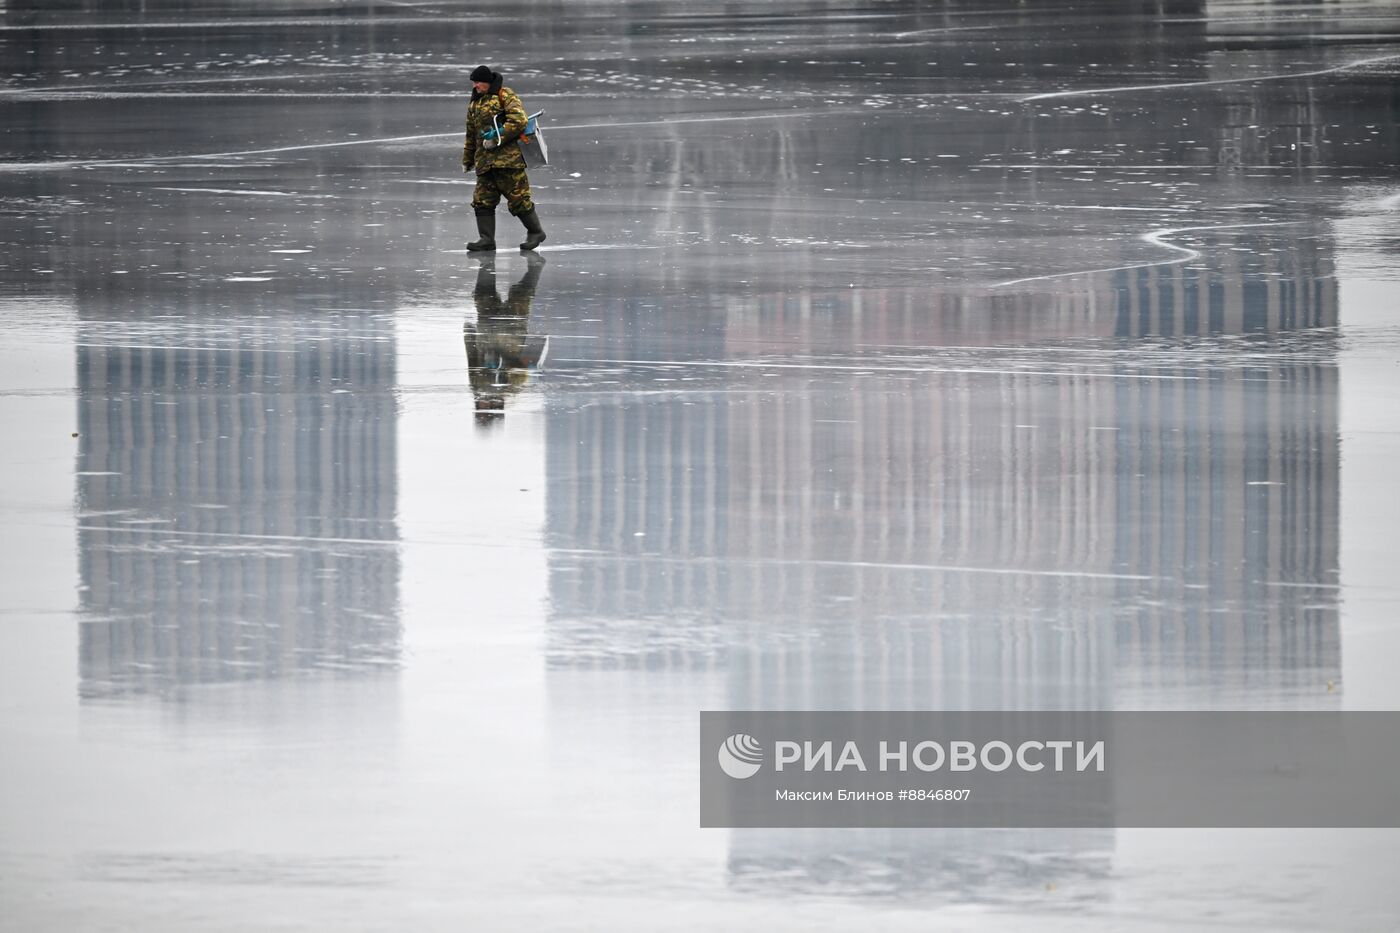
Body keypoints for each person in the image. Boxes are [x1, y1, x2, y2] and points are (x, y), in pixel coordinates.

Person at [462, 65, 546, 252]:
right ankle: (486, 240)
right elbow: (471, 134)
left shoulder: (504, 95)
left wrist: (499, 134)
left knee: (518, 199)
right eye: (473, 83)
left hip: (508, 161)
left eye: (478, 82)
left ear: (487, 82)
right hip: (485, 162)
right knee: (482, 200)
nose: (475, 86)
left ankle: (536, 232)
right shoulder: (475, 103)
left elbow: (519, 120)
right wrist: (468, 159)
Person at [465, 253, 548, 427]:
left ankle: (487, 260)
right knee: (521, 296)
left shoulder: (477, 387)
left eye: (481, 408)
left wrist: (469, 335)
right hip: (512, 331)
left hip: (487, 329)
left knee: (483, 293)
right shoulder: (511, 390)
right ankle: (536, 267)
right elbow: (522, 370)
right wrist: (504, 367)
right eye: (486, 409)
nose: (484, 404)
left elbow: (472, 360)